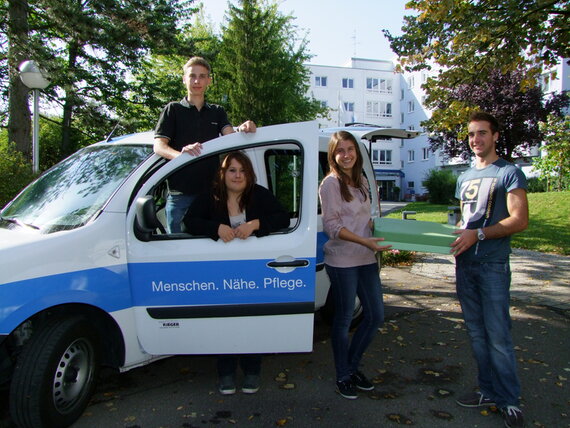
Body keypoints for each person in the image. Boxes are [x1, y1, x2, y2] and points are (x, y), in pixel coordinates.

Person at [183, 151, 290, 394]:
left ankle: (252, 372)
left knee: (252, 321)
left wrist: (255, 224)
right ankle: (226, 373)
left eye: (242, 170)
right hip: (221, 272)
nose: (237, 175)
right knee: (225, 321)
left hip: (254, 270)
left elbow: (282, 217)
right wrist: (216, 227)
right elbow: (190, 222)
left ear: (249, 174)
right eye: (232, 170)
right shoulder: (210, 197)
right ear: (223, 173)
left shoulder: (259, 194)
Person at [451, 111, 529, 428]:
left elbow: (519, 220)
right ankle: (486, 390)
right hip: (465, 264)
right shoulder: (464, 176)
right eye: (471, 134)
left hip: (493, 264)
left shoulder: (509, 173)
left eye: (482, 133)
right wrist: (452, 236)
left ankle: (510, 401)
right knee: (476, 333)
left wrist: (478, 234)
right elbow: (463, 222)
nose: (476, 139)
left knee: (498, 336)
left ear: (495, 136)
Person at [318, 130, 391, 400]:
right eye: (340, 150)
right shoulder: (330, 184)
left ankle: (351, 366)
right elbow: (333, 226)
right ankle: (343, 375)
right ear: (333, 155)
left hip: (366, 257)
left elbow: (365, 220)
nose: (346, 155)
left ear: (356, 153)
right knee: (344, 319)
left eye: (350, 149)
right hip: (343, 260)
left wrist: (387, 233)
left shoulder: (360, 181)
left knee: (376, 316)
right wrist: (364, 241)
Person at [154, 56, 256, 233]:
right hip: (180, 195)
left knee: (208, 250)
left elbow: (230, 138)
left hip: (211, 194)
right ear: (184, 79)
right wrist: (182, 157)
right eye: (192, 76)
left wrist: (246, 127)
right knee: (175, 252)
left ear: (209, 80)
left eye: (202, 76)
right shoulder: (173, 110)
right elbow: (159, 147)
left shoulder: (217, 112)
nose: (197, 81)